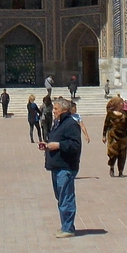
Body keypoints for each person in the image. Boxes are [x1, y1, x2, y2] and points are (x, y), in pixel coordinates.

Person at [39, 97, 82, 237]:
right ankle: (66, 225)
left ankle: (68, 228)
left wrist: (58, 145)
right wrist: (47, 145)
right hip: (57, 165)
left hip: (66, 166)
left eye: (56, 109)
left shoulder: (71, 124)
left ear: (64, 110)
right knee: (60, 196)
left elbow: (75, 145)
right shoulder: (58, 123)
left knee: (66, 197)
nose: (53, 111)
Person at [102, 95, 127, 177]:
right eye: (121, 102)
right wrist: (104, 135)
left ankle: (121, 171)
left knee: (122, 155)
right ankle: (112, 167)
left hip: (123, 137)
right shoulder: (110, 114)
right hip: (113, 137)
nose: (122, 104)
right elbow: (106, 125)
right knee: (113, 154)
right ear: (117, 104)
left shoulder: (124, 113)